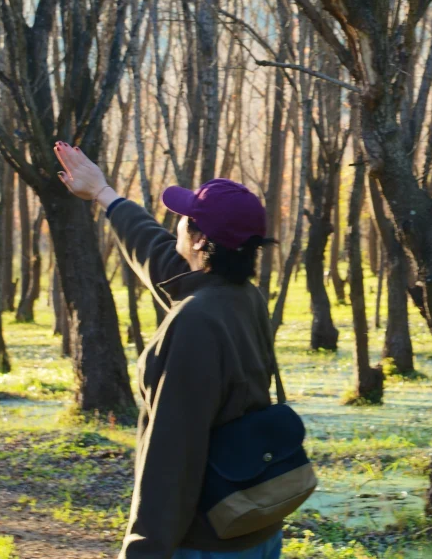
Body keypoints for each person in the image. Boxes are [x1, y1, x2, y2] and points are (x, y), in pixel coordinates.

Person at [54, 140, 282, 559]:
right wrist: (105, 195)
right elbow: (160, 259)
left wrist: (143, 550)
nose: (176, 223)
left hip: (205, 543)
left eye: (184, 219)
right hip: (255, 528)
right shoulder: (241, 297)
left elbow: (173, 451)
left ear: (198, 241)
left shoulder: (195, 321)